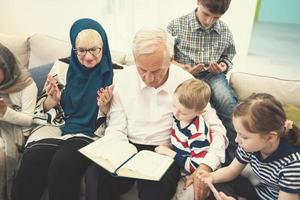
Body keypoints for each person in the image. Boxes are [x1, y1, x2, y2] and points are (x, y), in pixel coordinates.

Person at [85, 28, 227, 200]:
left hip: (164, 152)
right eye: (142, 69)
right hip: (128, 146)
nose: (149, 78)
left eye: (156, 71)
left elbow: (217, 130)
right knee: (96, 173)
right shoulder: (122, 79)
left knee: (155, 188)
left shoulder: (186, 83)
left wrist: (206, 166)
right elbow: (116, 126)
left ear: (170, 60)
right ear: (135, 60)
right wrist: (118, 153)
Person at [11, 18, 113, 200]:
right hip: (59, 125)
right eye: (81, 51)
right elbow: (41, 109)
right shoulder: (62, 66)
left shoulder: (116, 73)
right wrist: (51, 100)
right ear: (74, 48)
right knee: (33, 161)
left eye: (94, 50)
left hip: (92, 133)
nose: (88, 57)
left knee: (63, 165)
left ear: (103, 47)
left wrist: (105, 108)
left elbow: (119, 119)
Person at [167, 0, 238, 163]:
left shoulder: (225, 31)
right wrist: (182, 68)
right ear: (198, 2)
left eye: (216, 18)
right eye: (206, 14)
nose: (208, 21)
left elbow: (228, 58)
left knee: (227, 101)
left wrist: (221, 66)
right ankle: (183, 147)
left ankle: (234, 157)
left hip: (213, 76)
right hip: (185, 76)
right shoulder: (176, 25)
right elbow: (167, 58)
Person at [198, 93, 300, 200]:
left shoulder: (292, 164)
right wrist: (211, 177)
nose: (237, 140)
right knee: (218, 185)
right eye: (237, 133)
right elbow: (232, 170)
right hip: (260, 191)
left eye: (244, 137)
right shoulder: (250, 146)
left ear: (270, 137)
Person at [0, 43, 37, 200]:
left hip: (15, 131)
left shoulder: (27, 86)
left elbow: (29, 120)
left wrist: (5, 111)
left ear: (6, 67)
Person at [155, 78, 212, 174]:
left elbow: (196, 167)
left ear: (199, 112)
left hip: (189, 170)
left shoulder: (197, 135)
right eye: (174, 105)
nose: (175, 113)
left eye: (183, 113)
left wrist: (169, 153)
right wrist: (170, 146)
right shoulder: (180, 118)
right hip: (178, 156)